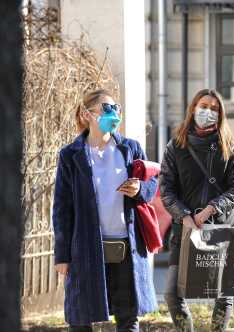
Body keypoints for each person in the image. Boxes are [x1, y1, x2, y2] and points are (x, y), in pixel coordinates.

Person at [52, 89, 158, 331]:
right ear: (88, 114)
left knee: (129, 317)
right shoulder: (71, 155)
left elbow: (152, 186)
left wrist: (140, 188)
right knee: (80, 317)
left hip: (126, 247)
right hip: (86, 248)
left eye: (116, 108)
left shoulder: (130, 148)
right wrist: (62, 256)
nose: (114, 114)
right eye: (107, 109)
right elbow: (62, 209)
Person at [159, 89, 234, 331]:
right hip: (185, 228)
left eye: (215, 108)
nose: (208, 111)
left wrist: (211, 209)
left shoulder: (229, 146)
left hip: (220, 226)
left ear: (221, 115)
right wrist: (184, 215)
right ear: (193, 108)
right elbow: (165, 188)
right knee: (172, 293)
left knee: (223, 295)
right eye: (204, 105)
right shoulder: (176, 146)